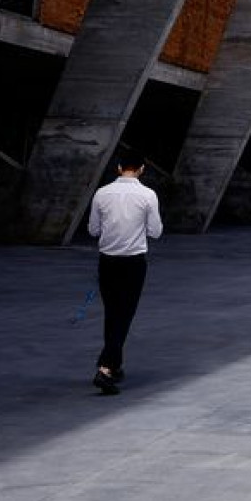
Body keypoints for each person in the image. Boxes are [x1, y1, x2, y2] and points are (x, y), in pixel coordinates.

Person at [87, 153, 162, 395]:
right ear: (141, 169)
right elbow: (155, 231)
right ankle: (106, 368)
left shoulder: (101, 193)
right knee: (124, 314)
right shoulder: (148, 195)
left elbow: (93, 229)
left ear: (119, 168)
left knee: (112, 312)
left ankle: (114, 364)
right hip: (133, 263)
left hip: (107, 261)